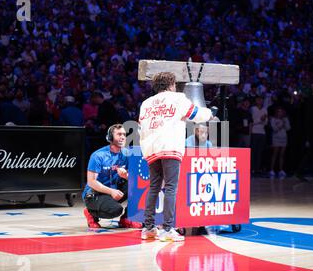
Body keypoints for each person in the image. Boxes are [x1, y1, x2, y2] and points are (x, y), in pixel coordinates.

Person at [139, 72, 214, 242]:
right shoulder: (178, 98)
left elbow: (141, 127)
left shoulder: (146, 103)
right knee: (171, 187)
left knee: (154, 187)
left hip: (151, 148)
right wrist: (209, 113)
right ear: (171, 84)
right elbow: (196, 114)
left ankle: (148, 228)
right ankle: (167, 229)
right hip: (170, 146)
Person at [82, 124, 142, 229]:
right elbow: (91, 182)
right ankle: (91, 213)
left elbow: (134, 177)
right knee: (116, 210)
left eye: (124, 134)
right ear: (110, 137)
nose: (122, 137)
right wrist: (111, 191)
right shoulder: (98, 156)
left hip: (114, 190)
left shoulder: (126, 154)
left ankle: (126, 218)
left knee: (138, 183)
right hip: (95, 194)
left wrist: (126, 176)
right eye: (119, 134)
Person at [295, 82, 313, 183]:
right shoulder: (312, 100)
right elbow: (311, 118)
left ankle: (301, 172)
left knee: (311, 153)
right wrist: (310, 134)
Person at [269, 107, 291, 178]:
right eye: (278, 111)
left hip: (284, 138)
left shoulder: (285, 119)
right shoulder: (273, 119)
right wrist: (281, 125)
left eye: (281, 111)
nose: (280, 113)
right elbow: (274, 129)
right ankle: (272, 170)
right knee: (275, 154)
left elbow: (288, 128)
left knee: (282, 155)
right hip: (276, 138)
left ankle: (281, 170)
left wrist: (285, 123)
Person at [250, 96, 268, 175]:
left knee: (260, 152)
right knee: (253, 151)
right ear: (256, 100)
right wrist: (260, 120)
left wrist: (262, 120)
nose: (260, 101)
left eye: (261, 99)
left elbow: (266, 122)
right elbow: (252, 121)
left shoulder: (265, 109)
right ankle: (252, 169)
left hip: (262, 132)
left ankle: (257, 169)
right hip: (254, 132)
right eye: (258, 99)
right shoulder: (253, 109)